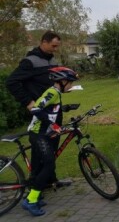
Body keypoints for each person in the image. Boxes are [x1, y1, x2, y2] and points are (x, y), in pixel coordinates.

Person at [5, 31, 71, 188]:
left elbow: (53, 84)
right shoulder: (30, 61)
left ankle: (50, 180)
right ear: (44, 42)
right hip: (40, 114)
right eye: (53, 46)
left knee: (52, 148)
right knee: (39, 152)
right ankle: (34, 186)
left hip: (54, 112)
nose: (55, 49)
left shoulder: (52, 60)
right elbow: (11, 82)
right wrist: (28, 102)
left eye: (57, 46)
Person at [22, 67, 80, 216]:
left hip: (40, 134)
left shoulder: (56, 93)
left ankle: (33, 195)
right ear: (62, 81)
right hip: (39, 134)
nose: (71, 86)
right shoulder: (52, 92)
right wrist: (52, 124)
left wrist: (65, 108)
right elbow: (35, 109)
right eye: (70, 82)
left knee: (38, 166)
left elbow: (50, 109)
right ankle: (31, 201)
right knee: (49, 164)